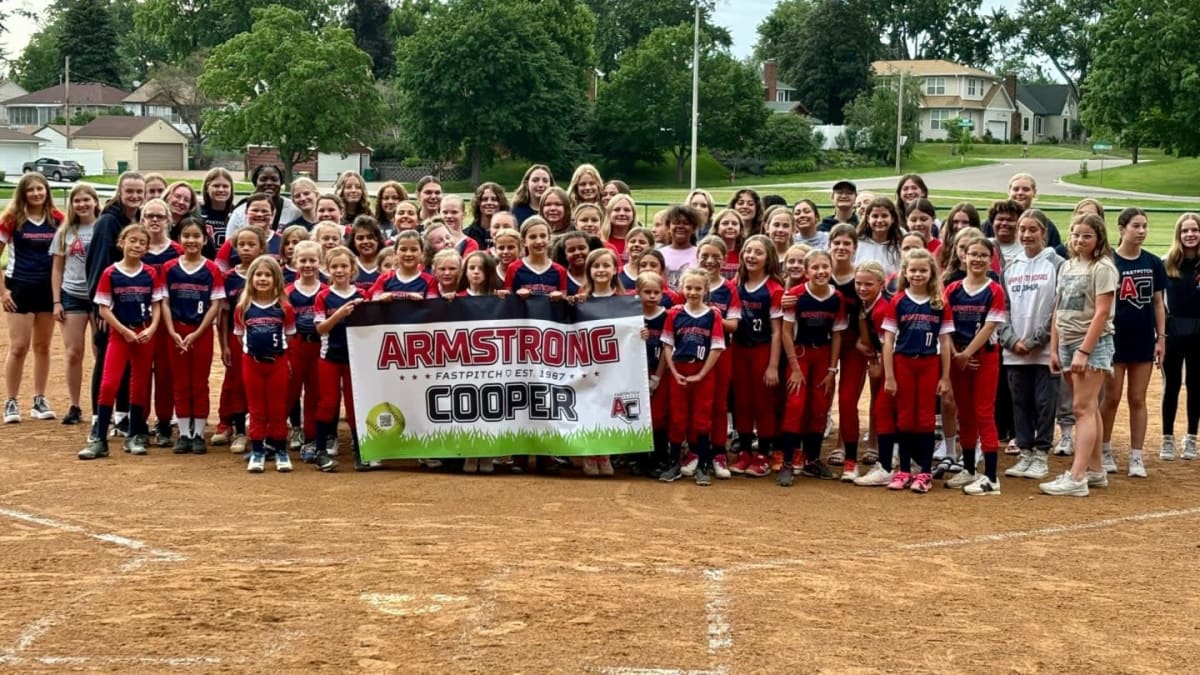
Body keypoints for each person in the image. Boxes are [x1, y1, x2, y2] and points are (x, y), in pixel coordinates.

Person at [1040, 213, 1118, 497]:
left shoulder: (1103, 267)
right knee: (1089, 408)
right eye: (1076, 234)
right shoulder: (1067, 266)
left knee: (1081, 409)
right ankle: (1095, 470)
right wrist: (1054, 347)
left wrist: (1084, 351)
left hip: (1090, 343)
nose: (1080, 240)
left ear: (1099, 238)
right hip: (1067, 340)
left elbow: (1102, 312)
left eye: (1087, 235)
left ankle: (1077, 476)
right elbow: (1058, 307)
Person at [77, 223, 163, 459]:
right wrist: (123, 330)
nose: (137, 245)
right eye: (132, 240)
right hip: (120, 334)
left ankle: (133, 435)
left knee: (139, 384)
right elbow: (103, 309)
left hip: (143, 333)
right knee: (109, 384)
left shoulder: (150, 273)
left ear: (147, 248)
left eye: (142, 242)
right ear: (121, 243)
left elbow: (157, 304)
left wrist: (152, 328)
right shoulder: (110, 272)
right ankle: (100, 439)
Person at [1099, 208, 1166, 478]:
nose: (1141, 231)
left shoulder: (1153, 262)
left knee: (1138, 398)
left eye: (1144, 226)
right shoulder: (1109, 261)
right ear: (1121, 228)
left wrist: (1161, 338)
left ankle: (1136, 455)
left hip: (1142, 339)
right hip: (1114, 339)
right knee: (1111, 397)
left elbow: (1158, 303)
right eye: (1136, 226)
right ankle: (1104, 449)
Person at [999, 209, 1064, 481]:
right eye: (1022, 229)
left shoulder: (1057, 264)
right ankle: (1025, 452)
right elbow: (1002, 308)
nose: (1026, 235)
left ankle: (1041, 455)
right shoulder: (1010, 267)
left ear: (1044, 232)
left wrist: (1037, 339)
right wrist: (1011, 339)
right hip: (1015, 350)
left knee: (1045, 403)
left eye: (1032, 229)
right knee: (1020, 402)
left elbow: (1058, 308)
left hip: (1045, 351)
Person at [881, 248, 954, 493]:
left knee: (925, 418)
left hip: (928, 363)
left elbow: (945, 342)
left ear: (931, 273)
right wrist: (889, 376)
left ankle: (924, 471)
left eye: (923, 270)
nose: (917, 274)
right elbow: (888, 341)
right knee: (904, 416)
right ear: (905, 272)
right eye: (913, 270)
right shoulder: (898, 300)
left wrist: (945, 376)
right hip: (903, 362)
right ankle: (903, 470)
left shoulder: (939, 302)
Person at [942, 237, 1007, 495]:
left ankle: (991, 477)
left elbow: (990, 326)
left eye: (983, 255)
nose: (978, 259)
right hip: (958, 356)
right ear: (964, 257)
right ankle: (968, 468)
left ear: (990, 260)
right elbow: (946, 325)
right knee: (965, 414)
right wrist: (957, 354)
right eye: (973, 254)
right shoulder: (952, 289)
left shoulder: (994, 290)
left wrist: (967, 353)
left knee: (983, 412)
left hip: (983, 357)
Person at [777, 249, 846, 486]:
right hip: (801, 354)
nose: (821, 271)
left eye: (825, 267)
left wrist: (832, 370)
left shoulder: (837, 298)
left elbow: (837, 334)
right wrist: (795, 368)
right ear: (806, 272)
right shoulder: (796, 295)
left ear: (831, 269)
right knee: (795, 404)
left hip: (823, 354)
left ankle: (812, 460)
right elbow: (786, 332)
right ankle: (788, 461)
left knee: (819, 405)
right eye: (815, 267)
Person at [85, 172, 145, 437]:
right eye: (129, 191)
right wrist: (99, 306)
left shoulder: (138, 218)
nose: (134, 196)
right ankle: (99, 418)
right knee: (105, 359)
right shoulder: (108, 222)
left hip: (132, 300)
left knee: (129, 361)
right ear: (119, 192)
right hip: (108, 303)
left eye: (139, 191)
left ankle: (121, 416)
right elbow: (97, 264)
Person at [1, 172, 63, 424]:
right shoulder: (11, 219)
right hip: (20, 287)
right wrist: (3, 291)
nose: (36, 193)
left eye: (40, 188)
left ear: (47, 191)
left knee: (42, 346)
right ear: (23, 193)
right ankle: (11, 401)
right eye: (31, 190)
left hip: (47, 289)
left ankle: (39, 399)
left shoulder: (57, 219)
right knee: (18, 346)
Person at [160, 217, 224, 454]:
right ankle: (184, 433)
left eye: (196, 236)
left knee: (199, 382)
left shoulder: (212, 269)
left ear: (205, 239)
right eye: (186, 236)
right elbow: (164, 301)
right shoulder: (169, 268)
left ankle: (198, 433)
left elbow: (215, 304)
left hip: (201, 332)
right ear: (179, 239)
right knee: (180, 382)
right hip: (176, 330)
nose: (191, 240)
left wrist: (198, 332)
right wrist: (171, 331)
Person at [658, 268, 726, 486]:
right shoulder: (674, 314)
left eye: (698, 288)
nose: (693, 292)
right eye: (689, 287)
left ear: (706, 290)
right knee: (677, 417)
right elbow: (668, 345)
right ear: (682, 288)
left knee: (702, 418)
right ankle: (674, 463)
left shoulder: (713, 314)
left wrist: (701, 374)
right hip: (679, 370)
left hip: (703, 372)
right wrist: (674, 371)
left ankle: (703, 465)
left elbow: (716, 347)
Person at [235, 256, 296, 473]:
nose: (262, 279)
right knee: (256, 408)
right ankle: (258, 451)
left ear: (276, 279)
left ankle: (280, 450)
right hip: (252, 363)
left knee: (277, 408)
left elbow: (289, 335)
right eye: (258, 275)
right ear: (251, 278)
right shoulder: (243, 307)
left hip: (277, 363)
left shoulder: (284, 307)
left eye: (268, 275)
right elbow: (239, 335)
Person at [729, 234, 783, 477]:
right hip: (739, 349)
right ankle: (744, 451)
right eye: (748, 251)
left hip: (762, 349)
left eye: (758, 252)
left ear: (768, 258)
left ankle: (762, 453)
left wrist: (773, 365)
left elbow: (777, 331)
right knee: (742, 401)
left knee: (763, 402)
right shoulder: (736, 284)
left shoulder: (774, 289)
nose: (751, 256)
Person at [688, 236, 740, 479]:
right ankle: (694, 450)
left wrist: (713, 315)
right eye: (704, 256)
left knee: (719, 403)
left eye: (715, 257)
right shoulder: (691, 284)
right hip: (692, 353)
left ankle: (719, 452)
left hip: (720, 353)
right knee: (694, 402)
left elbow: (734, 324)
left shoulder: (729, 288)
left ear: (725, 260)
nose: (709, 261)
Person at [51, 183, 101, 426]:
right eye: (77, 201)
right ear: (71, 204)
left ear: (95, 202)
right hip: (72, 294)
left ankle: (103, 406)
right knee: (73, 352)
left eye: (86, 200)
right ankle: (74, 405)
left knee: (100, 351)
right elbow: (57, 269)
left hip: (99, 296)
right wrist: (56, 301)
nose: (82, 204)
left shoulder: (103, 227)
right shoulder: (65, 231)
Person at [212, 226, 265, 453]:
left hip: (262, 335)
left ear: (261, 248)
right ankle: (232, 427)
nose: (245, 249)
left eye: (251, 244)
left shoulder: (267, 274)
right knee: (234, 381)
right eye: (241, 245)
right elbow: (224, 316)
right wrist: (224, 344)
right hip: (236, 337)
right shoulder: (229, 278)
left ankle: (257, 428)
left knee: (258, 382)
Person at [314, 246, 367, 471]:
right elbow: (320, 329)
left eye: (344, 266)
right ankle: (320, 451)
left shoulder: (362, 295)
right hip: (330, 357)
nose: (339, 270)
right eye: (334, 266)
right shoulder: (323, 296)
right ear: (327, 269)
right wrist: (339, 314)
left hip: (356, 359)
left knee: (355, 405)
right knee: (328, 403)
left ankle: (361, 451)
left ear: (352, 268)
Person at [140, 199, 185, 447]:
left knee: (166, 373)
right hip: (142, 319)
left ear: (169, 220)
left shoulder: (178, 251)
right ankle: (139, 422)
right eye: (149, 216)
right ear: (142, 220)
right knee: (141, 373)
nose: (154, 220)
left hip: (169, 321)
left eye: (159, 216)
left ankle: (164, 421)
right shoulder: (136, 247)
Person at [578, 248, 624, 476]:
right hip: (588, 364)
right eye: (596, 266)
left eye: (606, 265)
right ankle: (589, 453)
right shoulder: (581, 299)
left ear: (615, 269)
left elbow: (629, 331)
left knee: (608, 406)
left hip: (613, 366)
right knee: (588, 405)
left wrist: (641, 333)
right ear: (589, 271)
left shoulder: (625, 301)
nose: (601, 270)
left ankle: (605, 454)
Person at [851, 261, 896, 486]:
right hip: (884, 361)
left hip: (894, 363)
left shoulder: (882, 308)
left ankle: (891, 461)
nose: (862, 288)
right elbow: (868, 341)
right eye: (858, 283)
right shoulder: (866, 305)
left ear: (881, 283)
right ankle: (890, 459)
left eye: (868, 284)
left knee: (886, 409)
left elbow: (889, 344)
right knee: (883, 408)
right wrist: (862, 345)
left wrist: (880, 365)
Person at [1160, 213, 1200, 461]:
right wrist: (1160, 336)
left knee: (1196, 386)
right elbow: (1158, 303)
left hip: (1199, 334)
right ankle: (1167, 438)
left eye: (1195, 230)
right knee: (1171, 385)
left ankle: (1191, 437)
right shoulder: (1166, 264)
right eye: (1185, 231)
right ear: (1178, 234)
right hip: (1173, 333)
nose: (1190, 235)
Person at [287, 240, 326, 463]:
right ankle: (274, 438)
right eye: (303, 260)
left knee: (315, 394)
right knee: (289, 391)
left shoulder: (327, 290)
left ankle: (311, 439)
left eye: (313, 260)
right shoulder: (288, 292)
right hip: (296, 345)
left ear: (320, 262)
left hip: (320, 345)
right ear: (295, 262)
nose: (308, 264)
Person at [639, 272, 671, 476]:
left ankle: (660, 457)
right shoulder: (632, 315)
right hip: (636, 373)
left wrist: (657, 377)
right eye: (647, 292)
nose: (652, 296)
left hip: (658, 372)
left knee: (658, 415)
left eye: (656, 292)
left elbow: (668, 347)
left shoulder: (667, 316)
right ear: (638, 293)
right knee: (639, 414)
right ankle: (640, 459)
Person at [225, 165, 301, 238]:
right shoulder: (239, 212)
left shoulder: (294, 210)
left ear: (281, 183)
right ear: (255, 183)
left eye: (274, 179)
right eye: (263, 179)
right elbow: (230, 242)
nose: (269, 183)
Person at [368, 230, 436, 301]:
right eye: (403, 249)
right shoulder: (383, 279)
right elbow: (373, 301)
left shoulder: (430, 281)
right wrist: (380, 299)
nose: (408, 254)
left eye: (414, 249)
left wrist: (422, 301)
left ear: (422, 253)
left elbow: (433, 304)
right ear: (395, 253)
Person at [854, 196, 903, 276]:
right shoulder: (857, 242)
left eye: (884, 216)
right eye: (875, 216)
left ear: (892, 218)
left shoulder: (901, 243)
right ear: (868, 218)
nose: (879, 220)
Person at [659, 204, 700, 287]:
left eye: (686, 223)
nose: (681, 226)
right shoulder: (659, 254)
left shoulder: (699, 254)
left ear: (694, 228)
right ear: (668, 227)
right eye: (676, 223)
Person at [348, 215, 385, 295]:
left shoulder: (387, 264)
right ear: (353, 242)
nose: (365, 241)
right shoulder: (349, 264)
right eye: (360, 238)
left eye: (370, 237)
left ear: (378, 239)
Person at [465, 182, 508, 250]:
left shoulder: (509, 233)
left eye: (494, 199)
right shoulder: (467, 235)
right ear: (478, 203)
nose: (489, 203)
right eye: (485, 199)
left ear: (501, 203)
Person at [201, 168, 235, 247]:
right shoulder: (198, 213)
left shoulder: (236, 214)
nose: (221, 190)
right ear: (207, 188)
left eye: (225, 186)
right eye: (216, 186)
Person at [602, 194, 637, 261]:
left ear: (633, 215)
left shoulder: (641, 241)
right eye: (617, 210)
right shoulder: (599, 239)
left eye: (627, 210)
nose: (622, 213)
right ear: (609, 214)